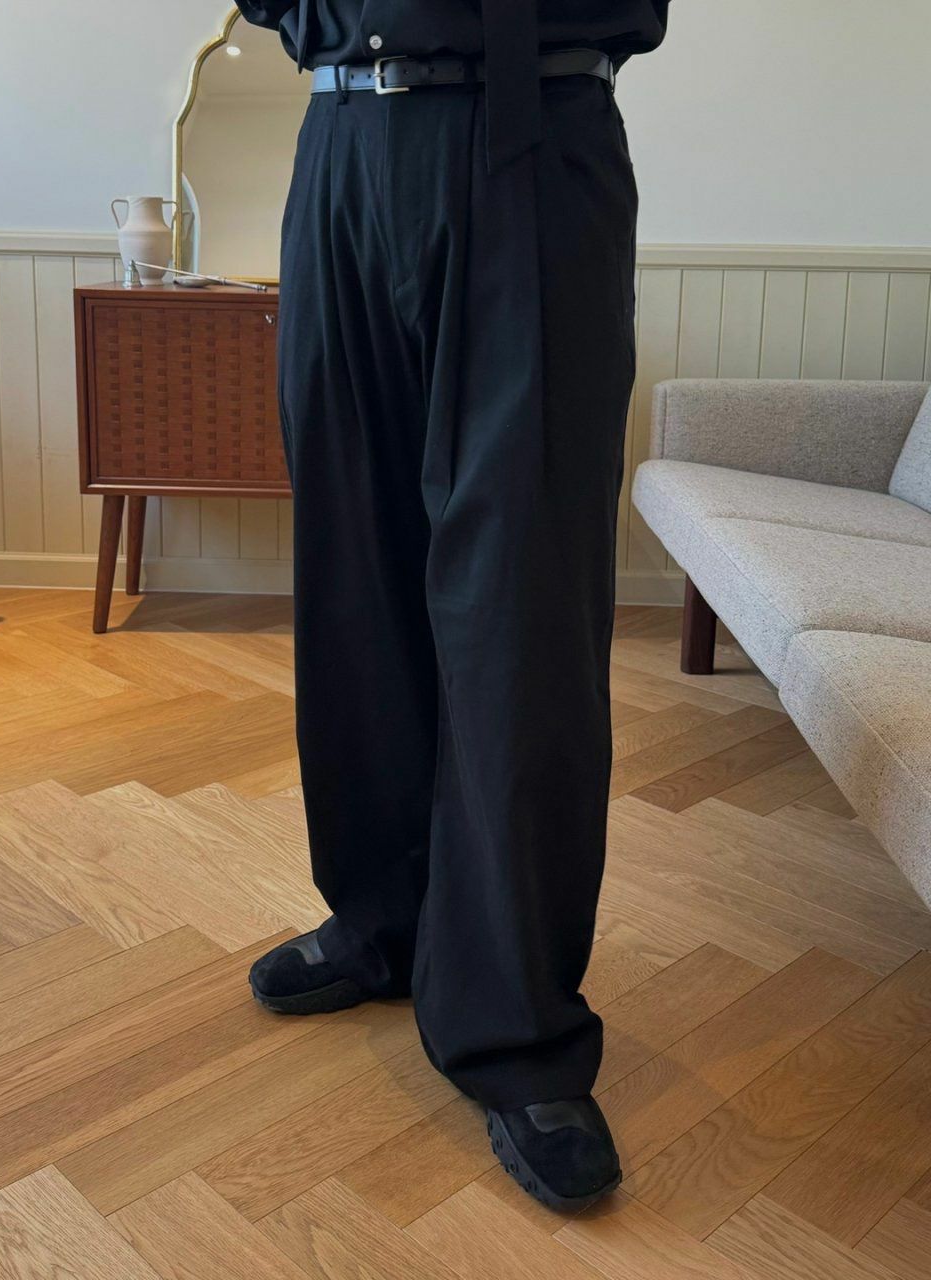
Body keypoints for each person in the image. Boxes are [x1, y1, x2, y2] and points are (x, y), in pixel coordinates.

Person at [237, 0, 670, 1211]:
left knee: (519, 602)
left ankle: (516, 1020)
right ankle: (384, 916)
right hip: (340, 149)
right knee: (352, 567)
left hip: (528, 136)